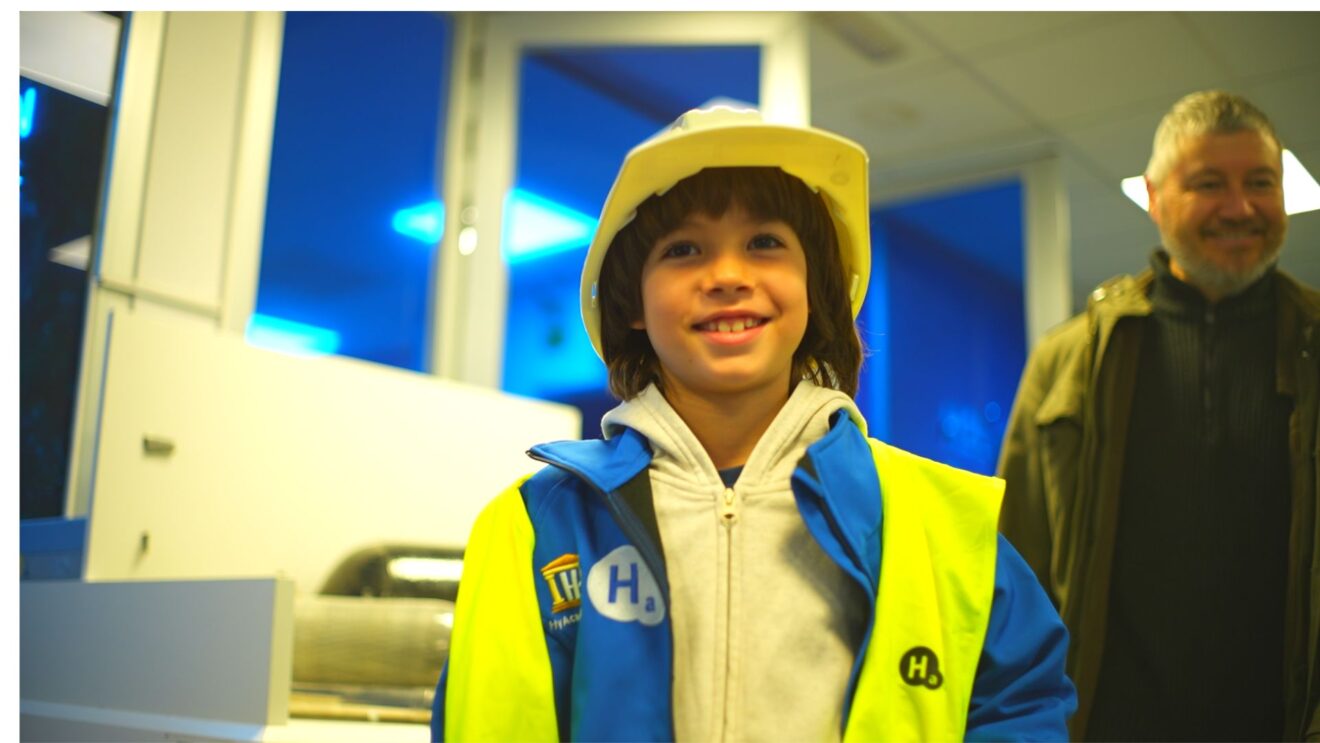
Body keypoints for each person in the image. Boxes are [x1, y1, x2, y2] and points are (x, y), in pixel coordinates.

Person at [433, 106, 1076, 742]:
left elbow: (1021, 704)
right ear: (632, 302)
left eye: (765, 243)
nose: (729, 277)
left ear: (814, 286)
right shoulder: (535, 527)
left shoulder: (941, 524)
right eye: (683, 249)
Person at [998, 89, 1320, 741]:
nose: (1241, 206)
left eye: (1261, 182)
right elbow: (1016, 569)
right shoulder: (1070, 360)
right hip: (1108, 724)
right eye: (1210, 184)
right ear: (1153, 196)